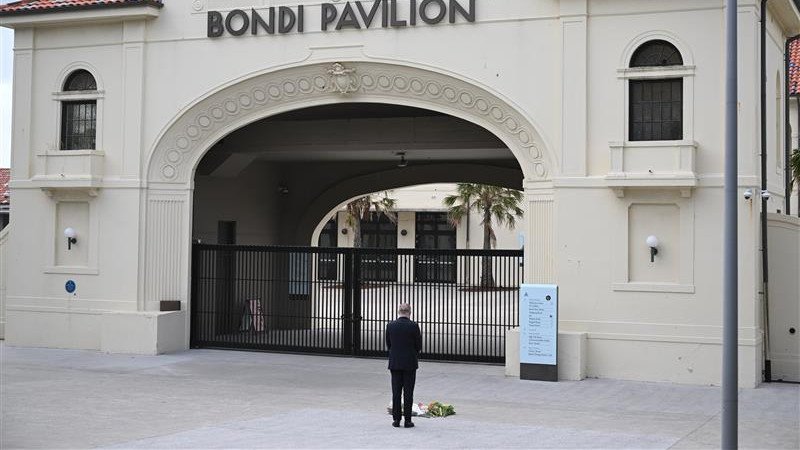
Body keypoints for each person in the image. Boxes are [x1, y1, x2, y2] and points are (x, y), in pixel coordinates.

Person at [385, 303, 422, 428]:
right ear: (409, 312)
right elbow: (418, 345)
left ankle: (396, 419)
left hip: (395, 363)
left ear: (398, 312)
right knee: (408, 392)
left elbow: (389, 344)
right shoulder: (414, 326)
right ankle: (407, 420)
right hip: (409, 363)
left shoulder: (390, 326)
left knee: (396, 392)